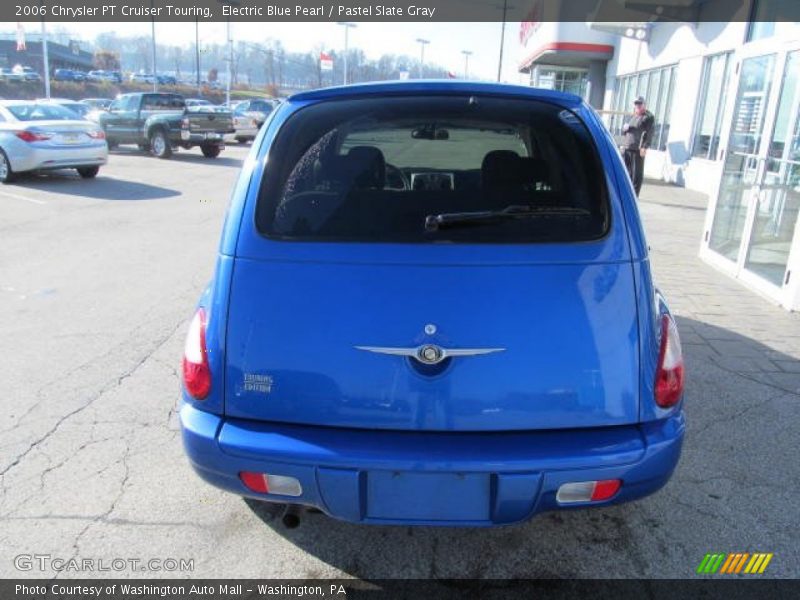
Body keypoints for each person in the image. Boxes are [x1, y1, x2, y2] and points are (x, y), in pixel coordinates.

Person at [621, 96, 655, 197]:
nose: (637, 106)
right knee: (627, 173)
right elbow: (626, 132)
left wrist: (645, 146)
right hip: (627, 147)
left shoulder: (648, 117)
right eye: (636, 104)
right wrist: (625, 129)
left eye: (639, 104)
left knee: (637, 174)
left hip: (637, 149)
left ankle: (634, 196)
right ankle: (627, 194)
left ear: (644, 104)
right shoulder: (633, 116)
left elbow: (650, 133)